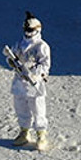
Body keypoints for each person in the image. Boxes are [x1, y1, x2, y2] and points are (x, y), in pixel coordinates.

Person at [7, 12, 52, 152]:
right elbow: (12, 54)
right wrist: (11, 61)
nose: (27, 32)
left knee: (38, 109)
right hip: (19, 82)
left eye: (30, 30)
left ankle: (41, 135)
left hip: (34, 84)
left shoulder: (41, 46)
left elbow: (45, 64)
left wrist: (33, 71)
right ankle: (24, 132)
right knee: (21, 107)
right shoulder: (20, 43)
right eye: (26, 29)